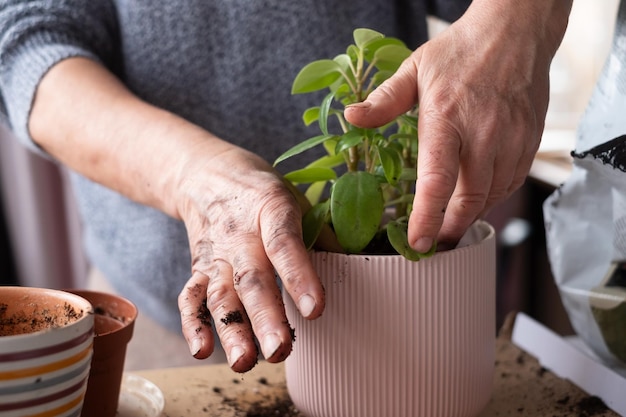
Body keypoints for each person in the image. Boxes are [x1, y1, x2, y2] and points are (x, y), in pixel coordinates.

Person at [0, 0, 572, 373]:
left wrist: (517, 20)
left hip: (404, 322)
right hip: (165, 319)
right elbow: (27, 44)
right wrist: (193, 178)